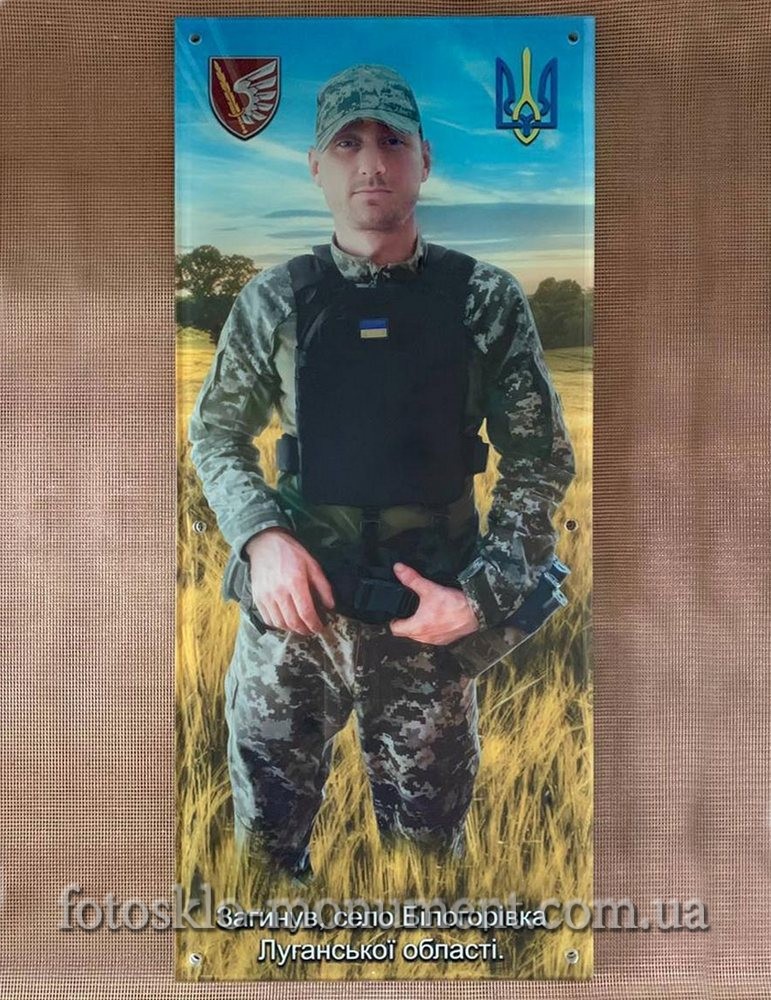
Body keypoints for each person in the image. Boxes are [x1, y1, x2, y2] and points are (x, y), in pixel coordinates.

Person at [188, 64, 575, 881]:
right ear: (316, 166)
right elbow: (217, 434)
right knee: (262, 864)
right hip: (295, 623)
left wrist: (479, 598)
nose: (371, 162)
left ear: (424, 160)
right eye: (347, 143)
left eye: (392, 141)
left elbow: (539, 457)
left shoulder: (484, 299)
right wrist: (261, 541)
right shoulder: (273, 301)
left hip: (426, 624)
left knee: (427, 868)